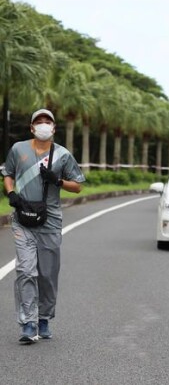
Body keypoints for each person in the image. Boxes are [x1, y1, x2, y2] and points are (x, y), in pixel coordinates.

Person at [2, 108, 85, 344]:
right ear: (31, 128)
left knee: (47, 275)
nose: (43, 125)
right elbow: (7, 173)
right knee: (25, 270)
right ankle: (28, 323)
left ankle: (44, 317)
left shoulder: (63, 155)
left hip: (50, 221)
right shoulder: (18, 149)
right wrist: (11, 193)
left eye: (47, 122)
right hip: (23, 219)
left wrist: (57, 180)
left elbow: (78, 186)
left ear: (54, 128)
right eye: (38, 122)